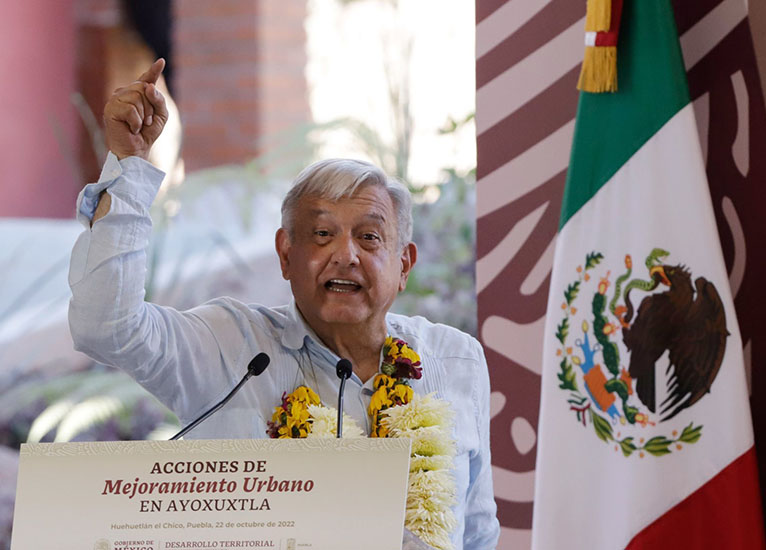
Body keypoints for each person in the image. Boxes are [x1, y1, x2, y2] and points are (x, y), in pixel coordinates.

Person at [68, 59, 499, 549]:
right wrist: (129, 167)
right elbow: (106, 327)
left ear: (404, 264)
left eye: (369, 237)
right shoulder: (231, 348)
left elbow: (479, 533)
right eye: (321, 234)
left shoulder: (457, 360)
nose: (346, 255)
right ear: (286, 255)